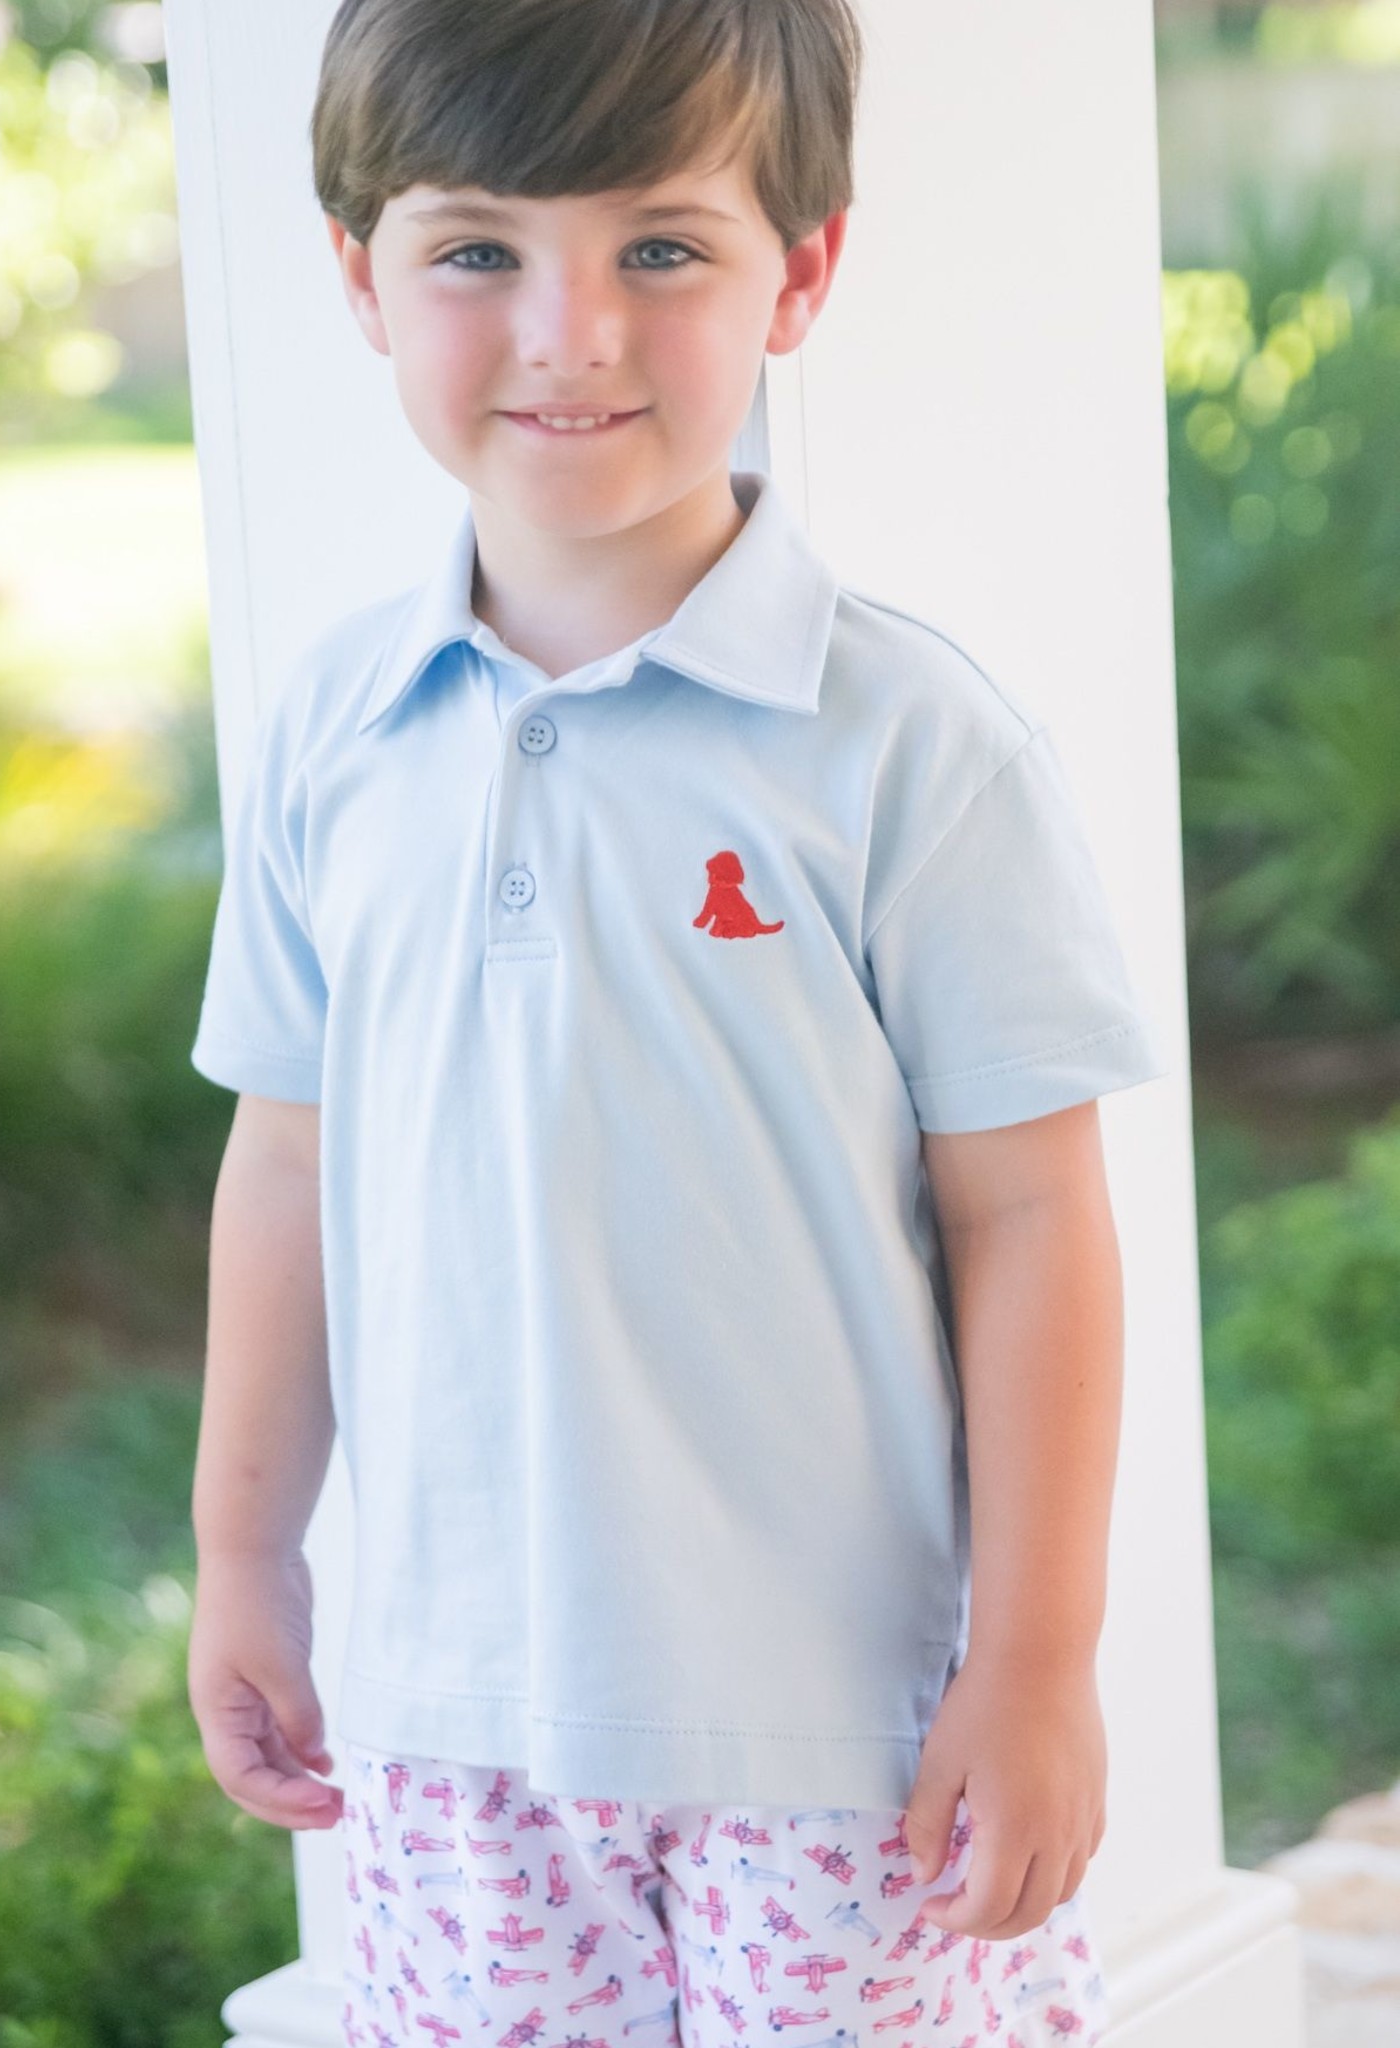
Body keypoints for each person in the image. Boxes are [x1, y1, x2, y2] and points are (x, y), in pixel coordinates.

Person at [185, 3, 1170, 2043]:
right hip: (455, 1728)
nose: (568, 332)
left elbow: (1030, 1222)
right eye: (475, 251)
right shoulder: (331, 738)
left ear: (794, 272)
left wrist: (1037, 1656)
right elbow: (284, 1158)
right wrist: (244, 1557)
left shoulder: (909, 750)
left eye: (657, 247)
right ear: (354, 271)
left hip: (836, 1736)